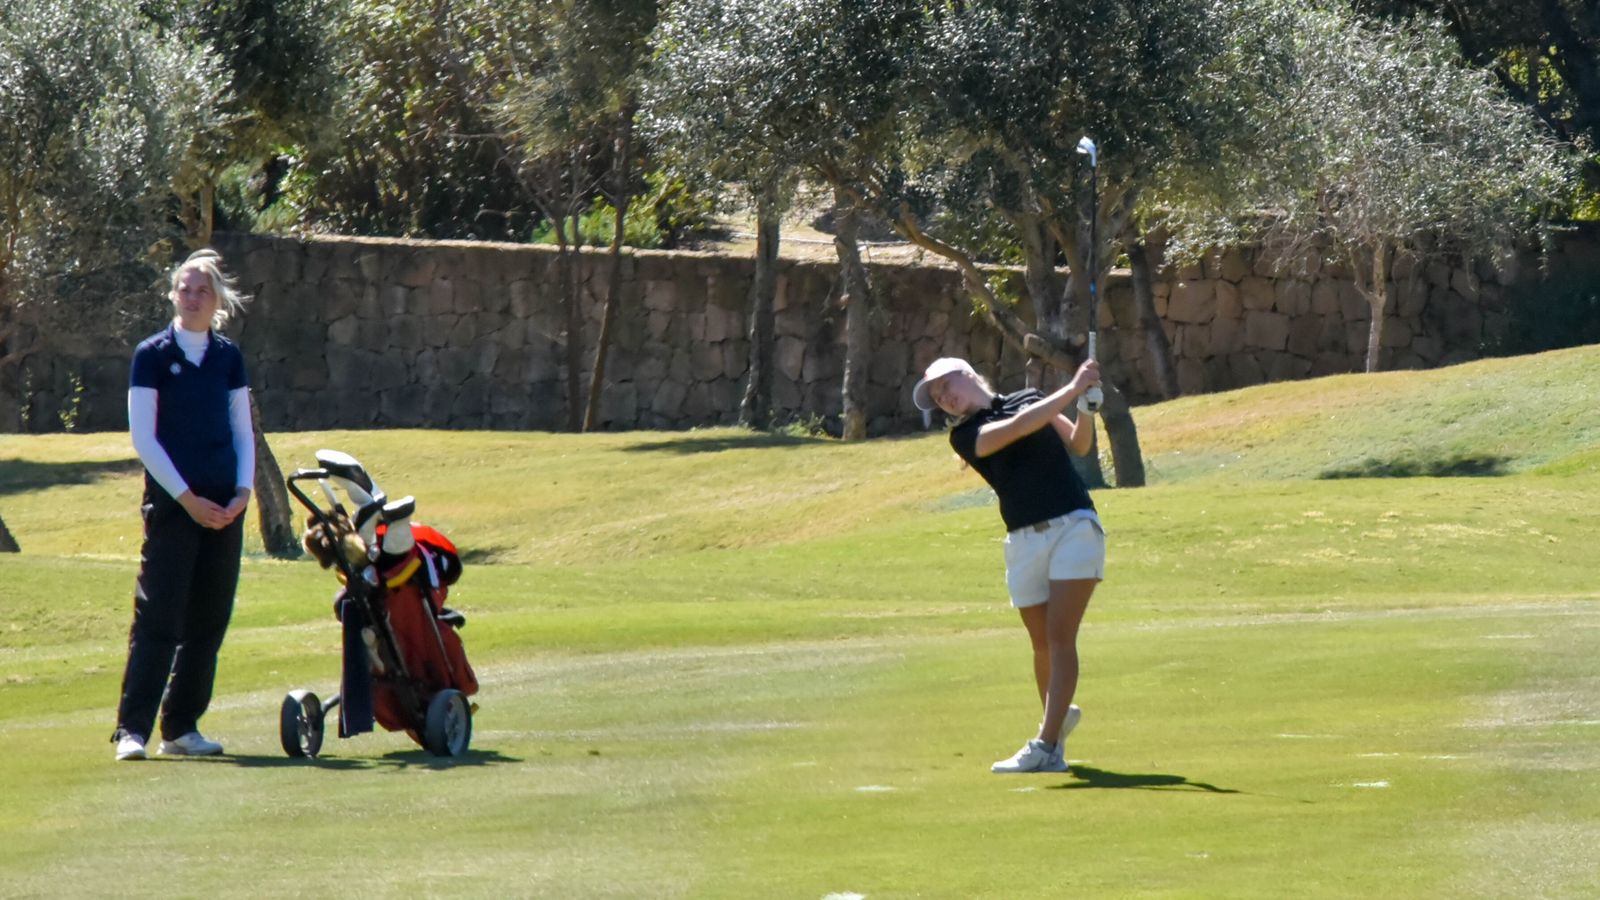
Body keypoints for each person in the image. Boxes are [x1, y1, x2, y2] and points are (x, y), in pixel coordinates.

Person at [912, 355, 1103, 774]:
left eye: (947, 386)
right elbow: (1018, 428)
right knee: (1041, 645)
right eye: (937, 397)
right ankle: (1055, 723)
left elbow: (1080, 444)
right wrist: (1071, 390)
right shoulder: (966, 435)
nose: (944, 398)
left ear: (968, 374)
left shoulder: (1031, 397)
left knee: (1059, 638)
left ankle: (1046, 744)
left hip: (1074, 524)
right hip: (1022, 540)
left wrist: (1086, 407)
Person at [111, 249, 254, 760]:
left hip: (224, 506)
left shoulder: (227, 357)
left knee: (209, 620)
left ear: (217, 301)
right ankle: (132, 731)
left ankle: (181, 728)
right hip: (175, 507)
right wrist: (189, 500)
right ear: (173, 295)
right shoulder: (151, 355)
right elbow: (144, 440)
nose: (192, 299)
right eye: (184, 290)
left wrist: (242, 492)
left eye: (202, 292)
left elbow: (242, 430)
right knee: (159, 617)